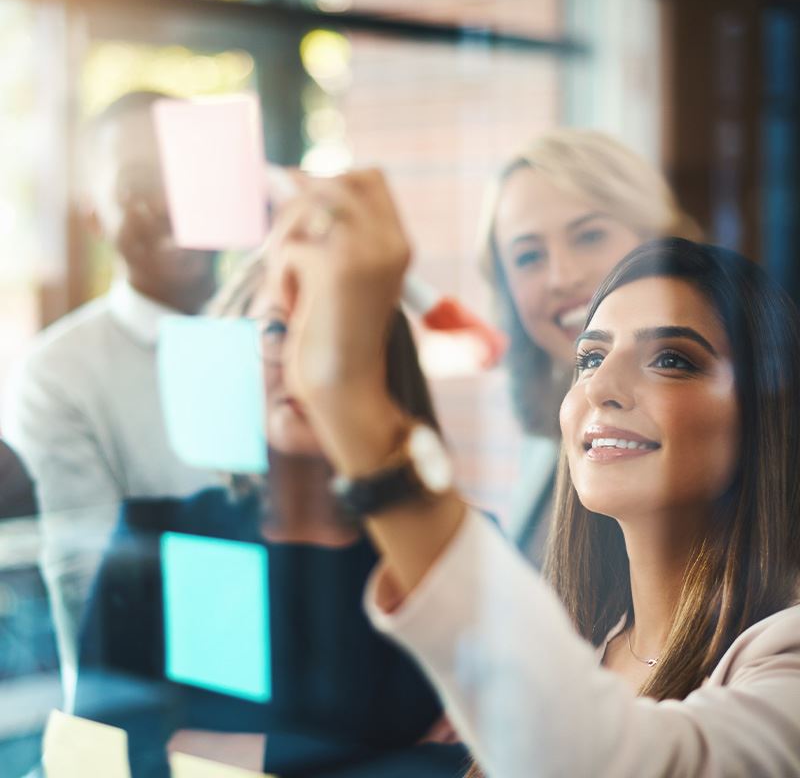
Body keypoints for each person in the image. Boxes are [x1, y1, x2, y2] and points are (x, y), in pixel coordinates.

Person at [269, 170, 800, 777]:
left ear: (771, 416)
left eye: (671, 359)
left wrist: (355, 405)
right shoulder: (585, 646)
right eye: (591, 357)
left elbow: (625, 762)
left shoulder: (786, 660)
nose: (599, 386)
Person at [73, 250, 468, 778]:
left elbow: (474, 760)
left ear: (385, 360)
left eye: (337, 329)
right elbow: (107, 755)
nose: (305, 360)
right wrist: (381, 758)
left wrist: (218, 753)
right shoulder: (159, 538)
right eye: (278, 330)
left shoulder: (447, 549)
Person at [2, 91, 220, 706]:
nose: (171, 201)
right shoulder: (56, 375)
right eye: (136, 186)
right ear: (95, 216)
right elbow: (94, 601)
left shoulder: (284, 337)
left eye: (189, 173)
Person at [479, 129, 701, 564]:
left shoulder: (715, 435)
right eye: (529, 257)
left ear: (658, 239)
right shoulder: (555, 434)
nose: (562, 276)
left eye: (589, 236)